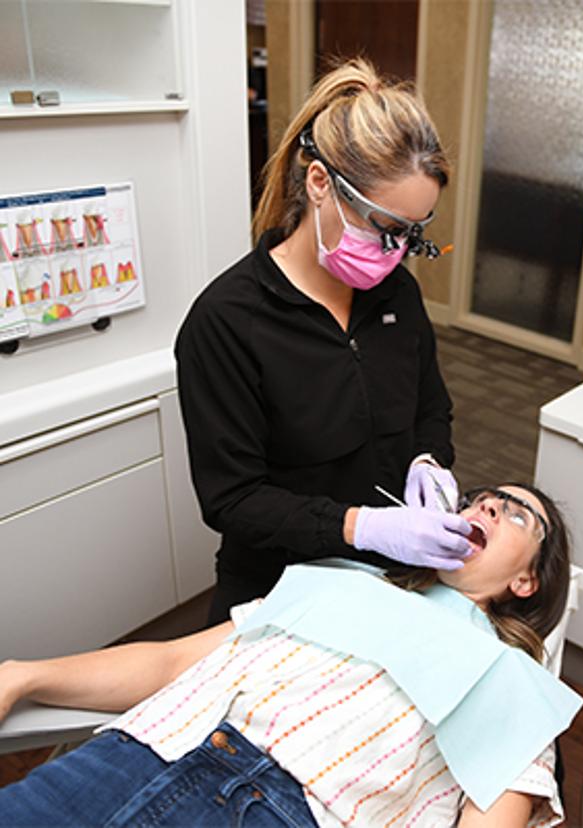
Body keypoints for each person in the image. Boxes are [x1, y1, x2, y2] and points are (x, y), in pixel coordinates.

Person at [0, 483, 580, 827]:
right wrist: (22, 676)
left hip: (287, 812)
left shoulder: (517, 687)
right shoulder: (336, 583)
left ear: (527, 581)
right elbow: (172, 663)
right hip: (139, 754)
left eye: (515, 513)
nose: (488, 507)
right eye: (479, 500)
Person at [175, 58, 471, 623]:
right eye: (385, 227)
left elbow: (431, 408)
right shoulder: (226, 322)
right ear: (319, 184)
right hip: (277, 586)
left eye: (412, 233)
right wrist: (363, 526)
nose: (396, 251)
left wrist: (429, 460)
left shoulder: (397, 296)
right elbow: (233, 499)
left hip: (387, 579)